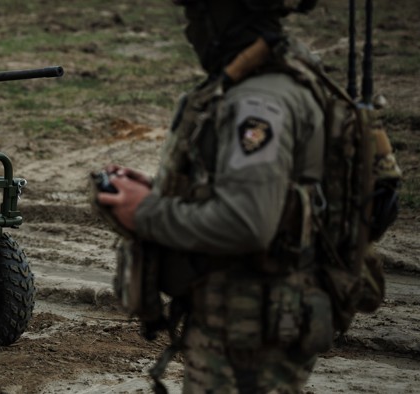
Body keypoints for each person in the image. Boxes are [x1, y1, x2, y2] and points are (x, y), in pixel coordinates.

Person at [96, 0, 332, 392]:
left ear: (224, 18)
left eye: (196, 16)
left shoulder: (257, 104)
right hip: (252, 319)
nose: (190, 32)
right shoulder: (277, 79)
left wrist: (147, 212)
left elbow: (247, 223)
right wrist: (162, 194)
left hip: (249, 330)